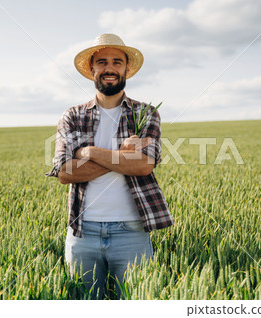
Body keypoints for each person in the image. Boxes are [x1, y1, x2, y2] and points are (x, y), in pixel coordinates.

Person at [46, 34, 173, 299]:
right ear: (92, 69)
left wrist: (90, 152)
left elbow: (143, 166)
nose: (109, 68)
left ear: (127, 69)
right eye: (102, 62)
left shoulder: (146, 113)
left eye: (117, 61)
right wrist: (121, 156)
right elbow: (66, 173)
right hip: (83, 232)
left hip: (132, 232)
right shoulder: (72, 116)